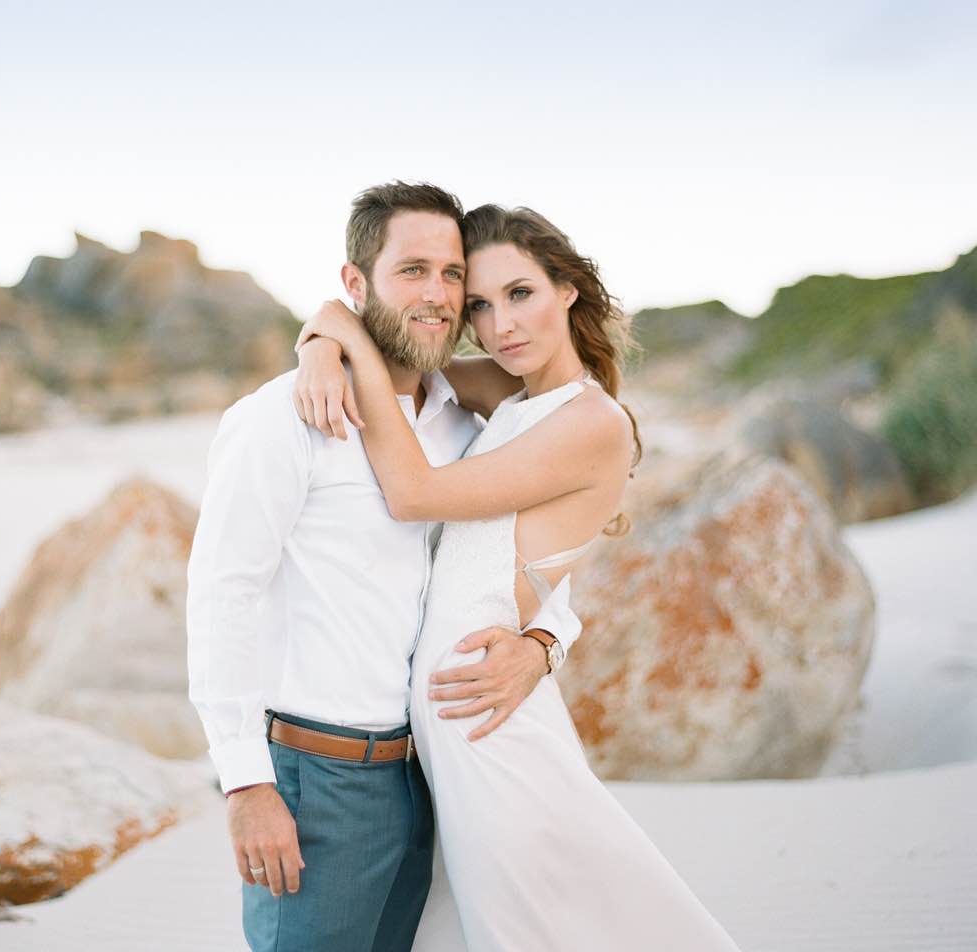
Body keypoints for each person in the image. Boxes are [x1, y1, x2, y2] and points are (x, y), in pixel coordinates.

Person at [293, 202, 744, 951]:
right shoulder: (509, 394)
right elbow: (404, 365)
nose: (501, 324)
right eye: (479, 304)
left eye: (521, 293)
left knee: (530, 930)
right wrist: (321, 337)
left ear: (567, 287)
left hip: (489, 726)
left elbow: (414, 493)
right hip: (452, 727)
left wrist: (340, 332)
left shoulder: (595, 423)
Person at [186, 182, 585, 952]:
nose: (436, 295)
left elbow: (522, 553)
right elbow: (221, 593)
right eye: (412, 271)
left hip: (432, 777)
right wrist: (245, 783)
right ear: (355, 282)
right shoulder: (282, 418)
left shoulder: (464, 424)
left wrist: (543, 644)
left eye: (449, 275)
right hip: (317, 776)